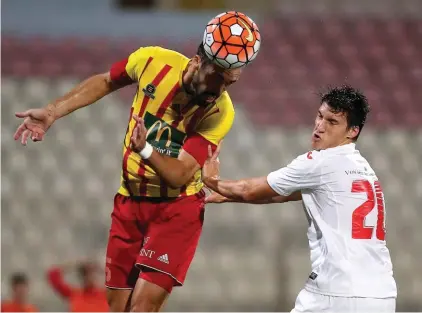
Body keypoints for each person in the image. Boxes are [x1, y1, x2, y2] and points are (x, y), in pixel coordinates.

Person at [13, 16, 250, 311]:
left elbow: (179, 175)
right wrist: (52, 111)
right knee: (117, 307)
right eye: (217, 77)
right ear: (198, 60)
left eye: (229, 82)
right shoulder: (151, 61)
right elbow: (105, 81)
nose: (221, 89)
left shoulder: (220, 112)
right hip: (129, 201)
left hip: (177, 209)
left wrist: (146, 149)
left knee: (141, 308)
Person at [202, 86, 397, 313]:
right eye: (320, 116)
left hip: (336, 293)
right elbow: (282, 193)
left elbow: (248, 189)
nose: (319, 126)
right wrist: (229, 196)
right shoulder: (362, 168)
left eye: (332, 122)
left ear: (353, 131)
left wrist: (211, 179)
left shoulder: (320, 161)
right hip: (381, 295)